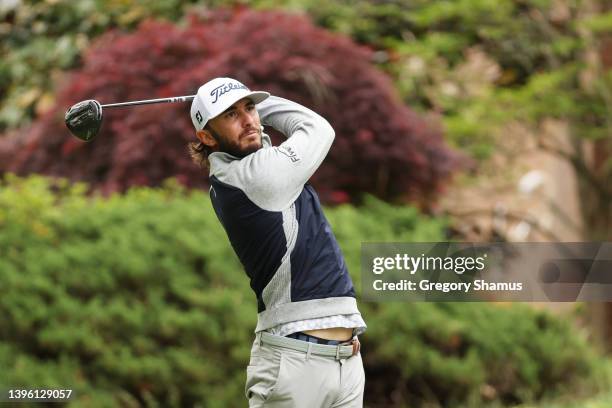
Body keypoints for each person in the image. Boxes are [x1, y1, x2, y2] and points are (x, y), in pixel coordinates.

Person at [189, 77, 366, 407]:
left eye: (250, 108)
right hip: (294, 363)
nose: (248, 120)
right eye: (231, 115)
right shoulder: (256, 176)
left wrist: (230, 103)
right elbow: (317, 127)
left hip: (344, 360)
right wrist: (263, 108)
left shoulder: (246, 167)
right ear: (206, 136)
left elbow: (257, 137)